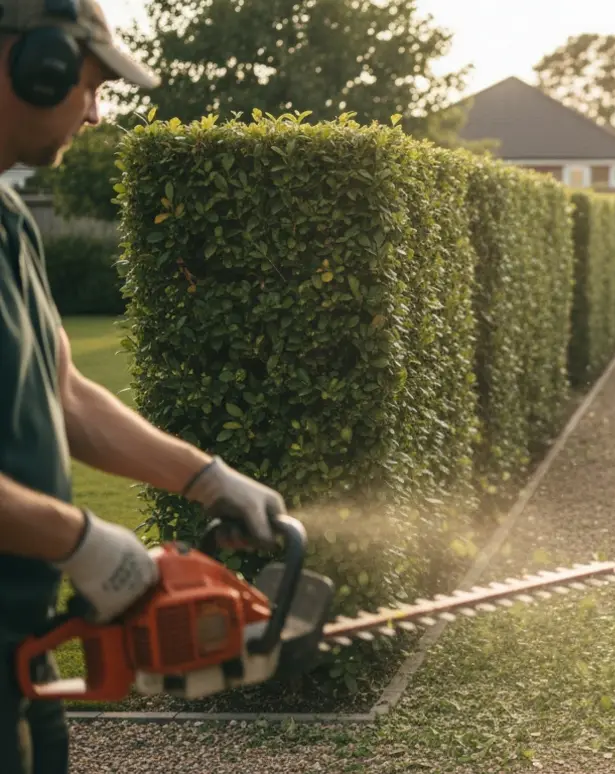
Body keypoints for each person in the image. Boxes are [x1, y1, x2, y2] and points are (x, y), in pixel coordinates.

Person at [0, 1, 289, 771]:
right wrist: (84, 543)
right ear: (36, 65)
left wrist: (205, 478)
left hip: (17, 649)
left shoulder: (8, 220)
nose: (97, 113)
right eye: (91, 85)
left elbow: (63, 391)